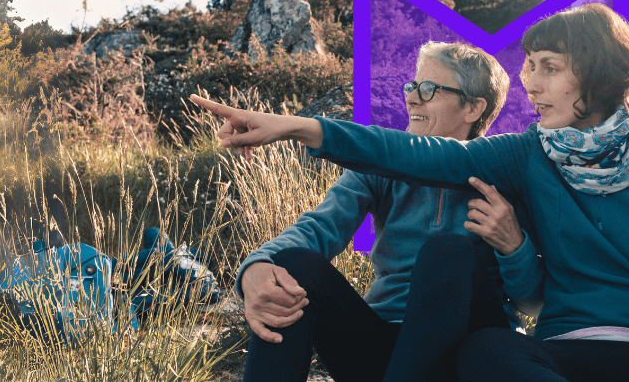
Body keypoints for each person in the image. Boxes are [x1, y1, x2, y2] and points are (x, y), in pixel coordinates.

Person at [192, 3, 629, 382]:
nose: (531, 86)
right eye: (529, 70)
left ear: (599, 74)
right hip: (562, 358)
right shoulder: (529, 155)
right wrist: (300, 127)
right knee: (491, 353)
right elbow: (411, 153)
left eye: (548, 69)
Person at [217, 41, 544, 382]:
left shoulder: (506, 176)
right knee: (293, 265)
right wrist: (258, 265)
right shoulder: (378, 168)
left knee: (449, 251)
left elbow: (530, 302)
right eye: (412, 86)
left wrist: (513, 245)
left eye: (430, 89)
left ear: (473, 108)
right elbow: (320, 226)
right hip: (384, 343)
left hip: (468, 351)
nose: (413, 97)